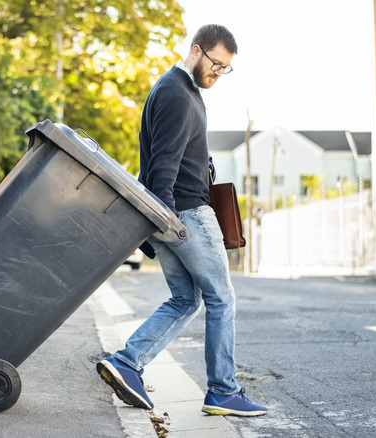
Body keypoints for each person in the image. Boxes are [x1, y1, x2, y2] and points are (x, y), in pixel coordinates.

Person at [96, 24, 267, 417]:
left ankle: (127, 361)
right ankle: (223, 391)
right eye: (215, 63)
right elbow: (163, 165)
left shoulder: (177, 90)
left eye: (225, 69)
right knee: (222, 299)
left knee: (185, 299)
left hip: (172, 213)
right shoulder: (176, 93)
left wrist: (155, 225)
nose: (217, 73)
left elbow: (162, 158)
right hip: (186, 213)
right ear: (196, 50)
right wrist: (168, 221)